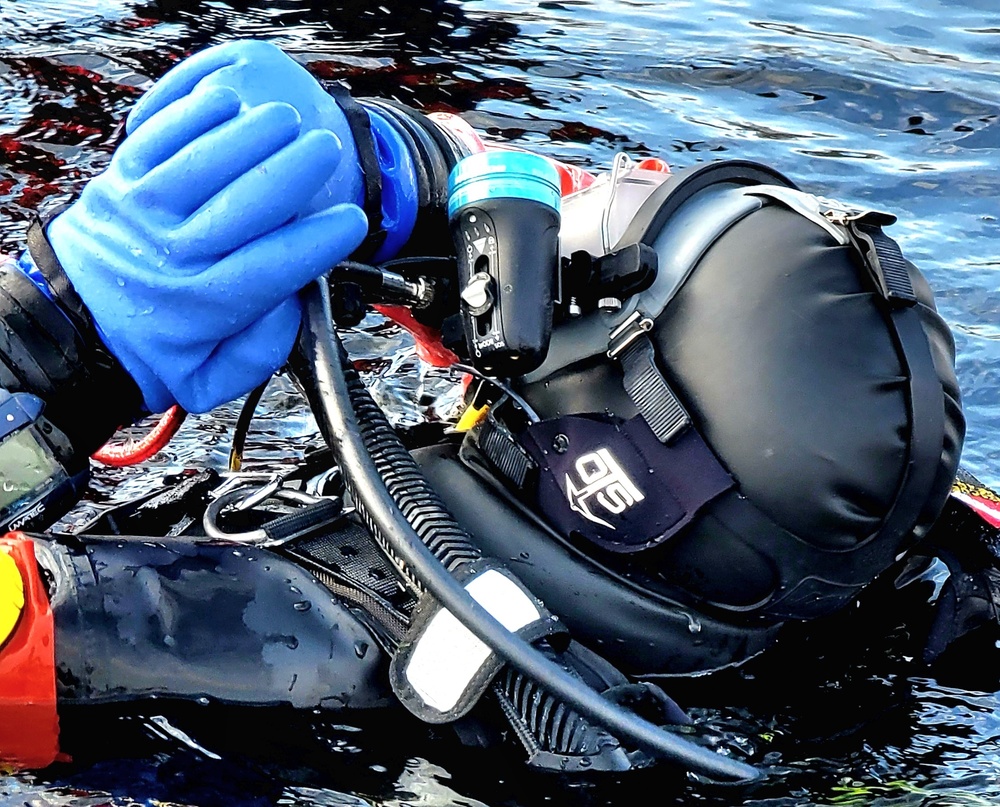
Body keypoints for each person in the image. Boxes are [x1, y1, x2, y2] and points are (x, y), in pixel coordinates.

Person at [0, 39, 996, 780]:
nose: (554, 230)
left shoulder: (267, 634)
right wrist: (411, 176)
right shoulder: (879, 543)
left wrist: (53, 339)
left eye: (578, 273)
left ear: (608, 460)